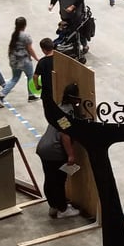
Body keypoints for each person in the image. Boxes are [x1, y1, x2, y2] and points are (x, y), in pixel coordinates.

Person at [36, 84, 83, 219]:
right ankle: (63, 209)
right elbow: (65, 134)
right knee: (58, 181)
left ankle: (53, 206)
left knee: (50, 179)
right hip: (54, 151)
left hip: (44, 147)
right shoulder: (67, 113)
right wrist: (71, 154)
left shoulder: (59, 107)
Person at [0, 17, 38, 107]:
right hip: (24, 60)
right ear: (25, 25)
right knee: (30, 76)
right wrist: (36, 58)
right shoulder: (26, 36)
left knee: (14, 78)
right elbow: (29, 48)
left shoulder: (14, 34)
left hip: (14, 60)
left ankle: (2, 94)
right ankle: (31, 95)